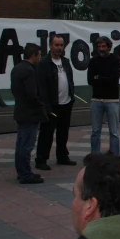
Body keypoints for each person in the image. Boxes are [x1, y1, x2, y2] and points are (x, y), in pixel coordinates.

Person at [36, 34, 76, 170]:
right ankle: (41, 159)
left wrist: (71, 97)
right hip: (51, 105)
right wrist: (46, 106)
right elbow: (41, 87)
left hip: (66, 103)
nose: (59, 47)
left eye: (61, 45)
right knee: (46, 133)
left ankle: (62, 156)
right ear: (50, 46)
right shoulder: (43, 63)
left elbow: (70, 79)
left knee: (63, 132)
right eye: (56, 45)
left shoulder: (65, 61)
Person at [10, 43, 46, 184]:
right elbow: (32, 94)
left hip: (21, 110)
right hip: (30, 113)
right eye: (39, 55)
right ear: (33, 55)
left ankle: (23, 171)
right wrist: (40, 105)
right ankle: (25, 174)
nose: (39, 58)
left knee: (21, 143)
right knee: (27, 144)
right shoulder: (29, 71)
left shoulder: (17, 68)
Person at [87, 36, 120, 155]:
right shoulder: (93, 61)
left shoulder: (116, 60)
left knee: (114, 132)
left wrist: (99, 77)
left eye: (103, 46)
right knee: (95, 131)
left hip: (112, 100)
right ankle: (95, 156)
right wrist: (105, 78)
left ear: (109, 47)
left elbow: (114, 80)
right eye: (99, 46)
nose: (101, 49)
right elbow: (90, 81)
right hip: (96, 99)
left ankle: (115, 157)